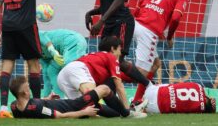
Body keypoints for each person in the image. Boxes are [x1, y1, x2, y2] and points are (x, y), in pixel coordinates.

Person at [85, 0, 150, 90]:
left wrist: (100, 21)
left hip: (122, 22)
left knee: (116, 61)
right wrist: (91, 13)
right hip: (110, 24)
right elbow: (107, 5)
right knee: (107, 59)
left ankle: (147, 87)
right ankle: (146, 85)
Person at [131, 0, 193, 104]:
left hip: (135, 24)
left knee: (155, 63)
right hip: (148, 31)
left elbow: (138, 6)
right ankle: (111, 78)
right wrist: (169, 37)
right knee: (141, 72)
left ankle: (136, 101)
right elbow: (176, 18)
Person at [57, 36, 148, 118]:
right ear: (113, 49)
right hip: (78, 69)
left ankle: (54, 108)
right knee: (91, 100)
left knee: (83, 109)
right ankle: (129, 113)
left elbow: (124, 77)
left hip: (63, 75)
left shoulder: (99, 58)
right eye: (120, 50)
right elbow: (119, 86)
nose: (120, 54)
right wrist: (128, 111)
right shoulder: (111, 57)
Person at [9, 75, 138, 118]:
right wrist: (83, 112)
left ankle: (123, 113)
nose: (29, 88)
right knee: (104, 88)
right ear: (24, 93)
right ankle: (127, 113)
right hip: (75, 106)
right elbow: (59, 116)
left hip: (71, 105)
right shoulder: (36, 107)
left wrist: (47, 100)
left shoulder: (15, 106)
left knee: (97, 106)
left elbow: (31, 105)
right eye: (27, 87)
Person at [39, 29, 88, 98]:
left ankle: (86, 98)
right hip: (67, 48)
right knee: (51, 71)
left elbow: (41, 35)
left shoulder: (32, 35)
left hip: (73, 41)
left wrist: (53, 52)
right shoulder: (39, 56)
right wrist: (45, 98)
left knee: (70, 70)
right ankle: (60, 99)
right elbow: (46, 76)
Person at [143, 81, 216, 114]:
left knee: (170, 86)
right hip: (155, 108)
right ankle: (139, 108)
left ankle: (137, 101)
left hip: (151, 91)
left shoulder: (197, 85)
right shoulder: (199, 109)